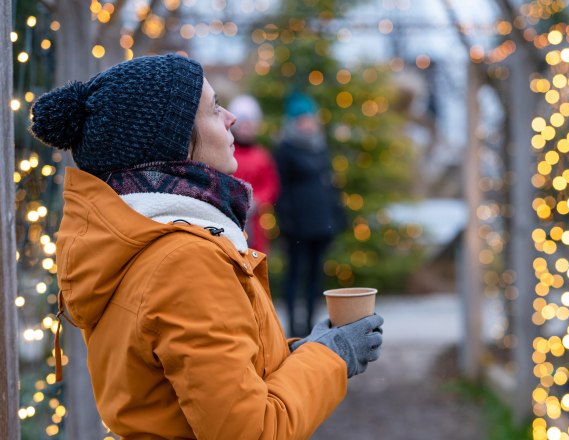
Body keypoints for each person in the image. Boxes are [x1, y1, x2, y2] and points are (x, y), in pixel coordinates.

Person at [30, 54, 383, 439]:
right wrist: (333, 356)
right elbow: (252, 431)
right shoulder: (185, 260)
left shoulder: (138, 238)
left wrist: (309, 349)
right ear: (175, 138)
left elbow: (206, 384)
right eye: (214, 108)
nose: (231, 117)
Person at [274, 92, 347, 337]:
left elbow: (330, 185)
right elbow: (280, 189)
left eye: (310, 118)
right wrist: (287, 221)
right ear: (294, 121)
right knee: (295, 274)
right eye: (302, 118)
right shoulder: (285, 149)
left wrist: (337, 217)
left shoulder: (319, 146)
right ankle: (294, 326)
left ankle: (311, 325)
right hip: (298, 225)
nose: (308, 123)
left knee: (316, 276)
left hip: (321, 223)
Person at [227, 95, 279, 253]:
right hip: (229, 215)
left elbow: (271, 185)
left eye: (249, 124)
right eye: (243, 124)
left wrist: (257, 201)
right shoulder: (227, 153)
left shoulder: (262, 156)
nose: (246, 128)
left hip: (255, 223)